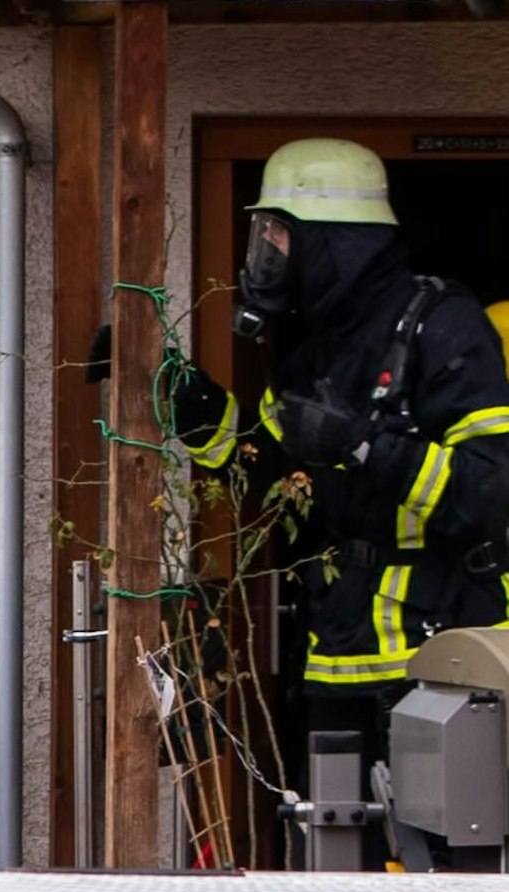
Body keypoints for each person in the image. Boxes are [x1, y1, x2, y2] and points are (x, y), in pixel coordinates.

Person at [175, 138, 509, 846]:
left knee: (440, 859)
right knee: (330, 849)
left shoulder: (444, 327)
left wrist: (360, 445)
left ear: (333, 244)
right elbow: (265, 479)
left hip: (441, 658)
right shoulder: (311, 350)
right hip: (338, 651)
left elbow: (490, 490)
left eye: (278, 236)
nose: (265, 255)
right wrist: (193, 411)